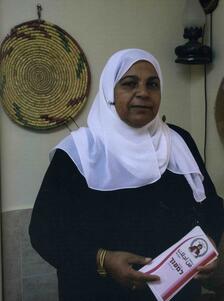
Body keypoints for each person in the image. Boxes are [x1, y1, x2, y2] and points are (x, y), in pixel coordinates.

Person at [29, 48, 224, 301]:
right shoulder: (79, 151)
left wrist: (207, 247)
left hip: (177, 292)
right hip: (97, 291)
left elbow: (211, 206)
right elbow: (44, 232)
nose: (143, 92)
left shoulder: (179, 141)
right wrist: (104, 260)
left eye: (152, 84)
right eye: (130, 83)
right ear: (110, 92)